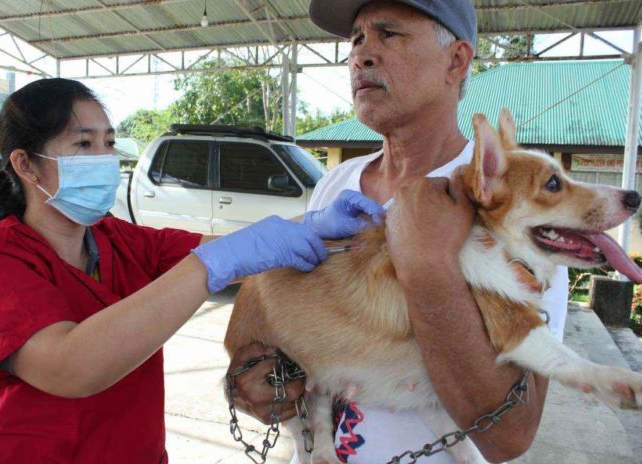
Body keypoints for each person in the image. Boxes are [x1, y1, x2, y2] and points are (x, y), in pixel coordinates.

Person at [0, 78, 384, 463]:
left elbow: (230, 248)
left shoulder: (118, 239)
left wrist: (310, 226)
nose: (104, 158)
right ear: (25, 164)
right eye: (83, 144)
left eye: (109, 142)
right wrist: (210, 266)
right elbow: (71, 368)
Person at [227, 1, 570, 463]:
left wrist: (427, 266)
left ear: (457, 60)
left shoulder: (512, 201)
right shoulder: (335, 184)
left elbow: (509, 435)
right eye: (356, 40)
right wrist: (261, 381)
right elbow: (297, 344)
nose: (362, 55)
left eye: (389, 34)